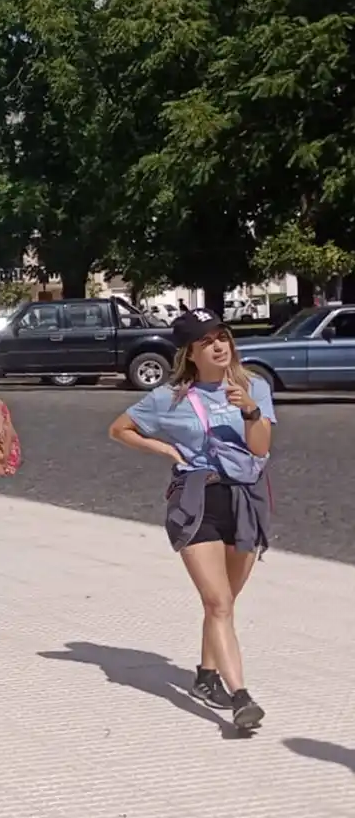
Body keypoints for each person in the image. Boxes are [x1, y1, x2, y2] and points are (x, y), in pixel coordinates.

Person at [108, 309, 272, 731]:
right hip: (197, 499)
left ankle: (206, 676)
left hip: (245, 499)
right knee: (217, 602)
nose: (219, 347)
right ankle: (241, 697)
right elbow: (120, 429)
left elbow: (260, 448)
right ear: (190, 353)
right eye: (206, 342)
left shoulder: (254, 386)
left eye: (222, 337)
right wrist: (165, 449)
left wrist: (251, 411)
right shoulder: (169, 397)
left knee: (225, 602)